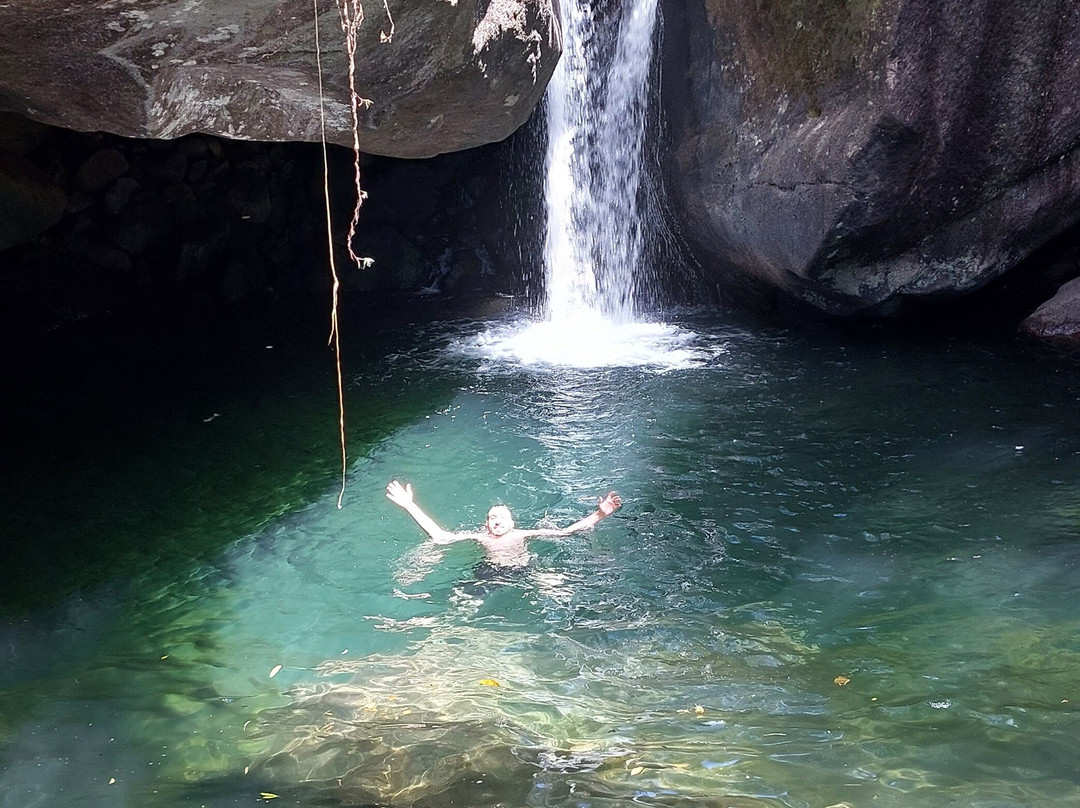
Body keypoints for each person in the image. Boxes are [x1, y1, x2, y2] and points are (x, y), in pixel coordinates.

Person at [386, 480, 622, 568]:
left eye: (502, 517)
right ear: (486, 525)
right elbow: (440, 536)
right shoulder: (481, 538)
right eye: (492, 518)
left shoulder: (524, 534)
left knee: (553, 584)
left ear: (512, 522)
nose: (497, 520)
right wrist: (410, 505)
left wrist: (599, 515)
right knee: (462, 599)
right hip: (490, 571)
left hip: (523, 568)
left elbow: (566, 533)